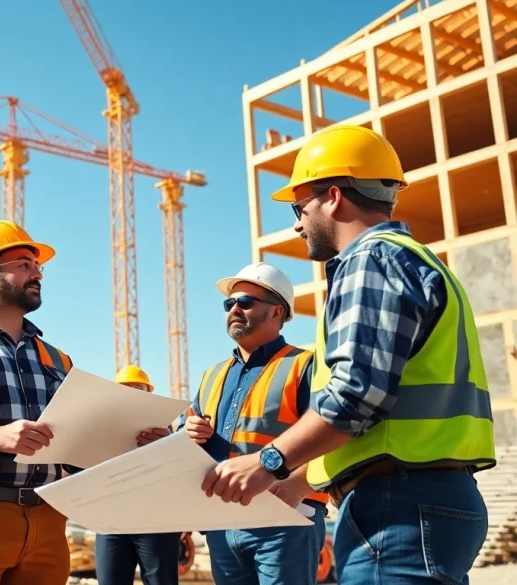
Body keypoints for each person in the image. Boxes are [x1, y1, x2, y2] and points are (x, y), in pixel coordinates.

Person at [201, 125, 496, 585]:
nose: (297, 224)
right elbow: (382, 414)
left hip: (396, 505)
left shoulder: (371, 260)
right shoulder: (413, 260)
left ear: (334, 196)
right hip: (419, 497)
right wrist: (295, 484)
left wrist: (266, 462)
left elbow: (356, 397)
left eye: (300, 208)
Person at [0, 220, 168, 585]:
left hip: (48, 521)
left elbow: (77, 446)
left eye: (37, 266)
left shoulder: (58, 360)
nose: (37, 273)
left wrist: (129, 443)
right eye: (24, 264)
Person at [177, 262, 327, 585]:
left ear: (277, 312)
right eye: (228, 303)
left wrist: (296, 487)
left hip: (284, 521)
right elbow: (182, 432)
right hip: (221, 524)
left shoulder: (304, 366)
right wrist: (186, 432)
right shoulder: (213, 375)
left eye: (245, 301)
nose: (234, 309)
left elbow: (330, 434)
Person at [94, 365, 181, 585]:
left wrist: (168, 443)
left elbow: (182, 468)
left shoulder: (167, 430)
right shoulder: (100, 429)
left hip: (156, 521)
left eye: (139, 389)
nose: (133, 394)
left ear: (149, 394)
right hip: (112, 520)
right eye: (126, 389)